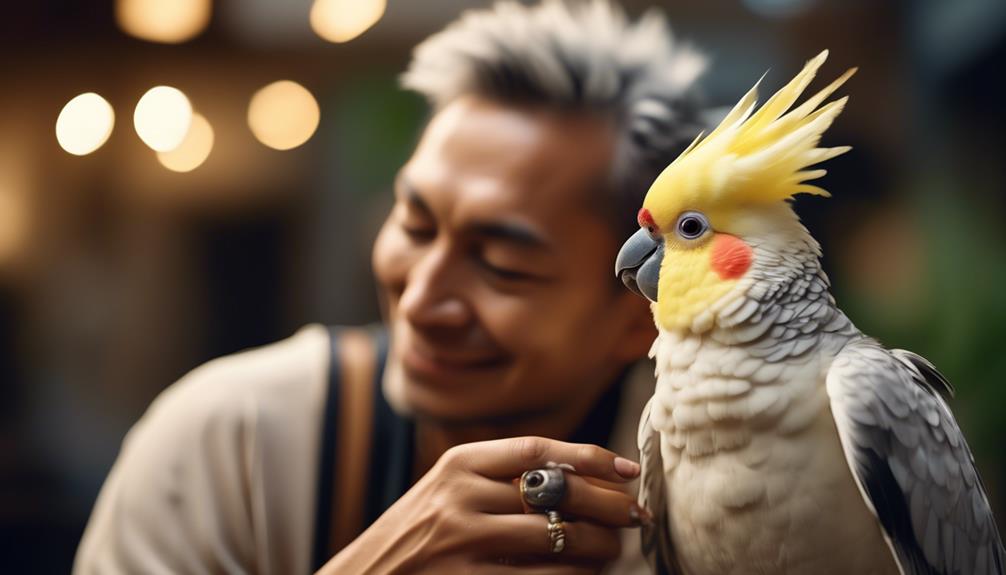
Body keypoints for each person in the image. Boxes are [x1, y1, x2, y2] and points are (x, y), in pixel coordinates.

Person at [73, 1, 711, 573]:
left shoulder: (708, 496)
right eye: (415, 223)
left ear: (639, 320)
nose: (421, 299)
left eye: (504, 267)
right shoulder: (232, 444)